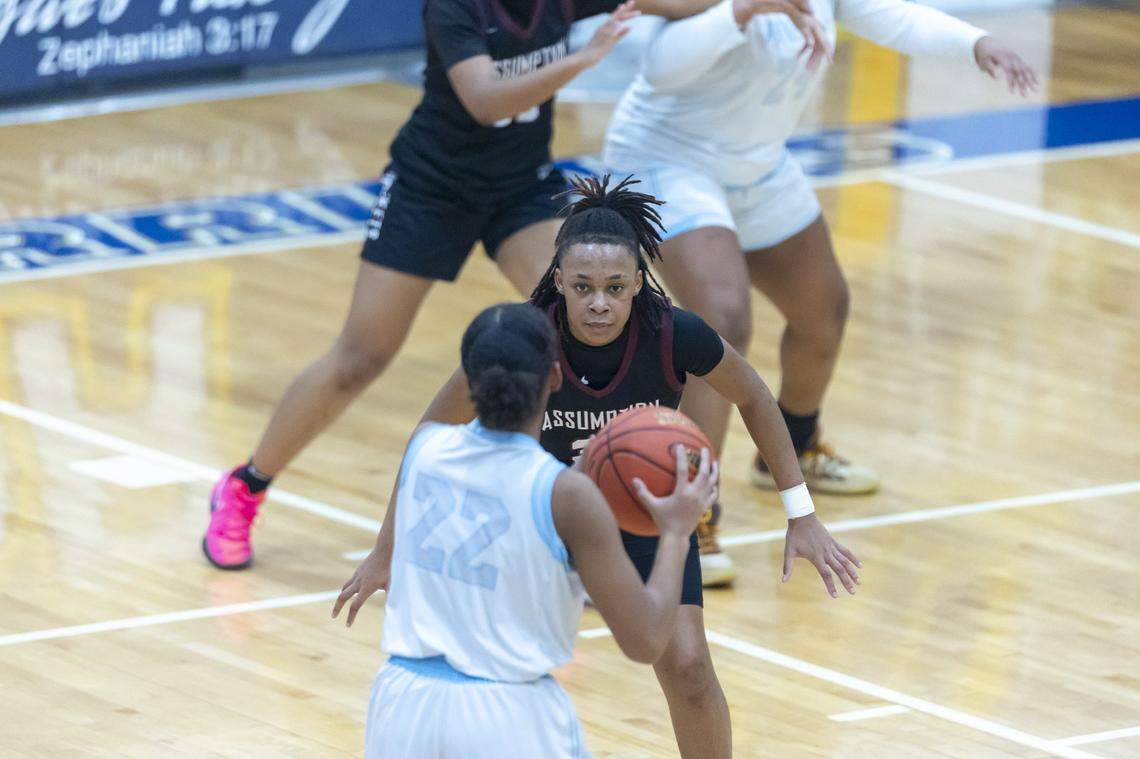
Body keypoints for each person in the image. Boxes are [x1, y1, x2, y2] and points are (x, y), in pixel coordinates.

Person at [202, 0, 828, 570]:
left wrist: (749, 4)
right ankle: (246, 486)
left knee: (591, 324)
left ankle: (585, 516)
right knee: (361, 355)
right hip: (431, 188)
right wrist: (582, 58)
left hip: (520, 188)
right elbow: (485, 100)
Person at [385, 175, 861, 759]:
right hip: (542, 514)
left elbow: (756, 396)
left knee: (687, 665)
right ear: (558, 280)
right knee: (503, 662)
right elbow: (429, 436)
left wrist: (800, 512)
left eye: (615, 286)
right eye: (583, 287)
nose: (599, 302)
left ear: (638, 281)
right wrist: (387, 550)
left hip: (645, 511)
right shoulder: (528, 338)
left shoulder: (673, 333)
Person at [601, 0, 1039, 581]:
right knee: (723, 319)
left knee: (823, 311)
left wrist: (977, 43)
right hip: (667, 158)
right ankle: (691, 514)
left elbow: (895, 17)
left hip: (757, 166)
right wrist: (741, 10)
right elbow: (660, 66)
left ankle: (794, 445)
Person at [333, 302, 718, 758]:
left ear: (470, 383)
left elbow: (503, 485)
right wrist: (675, 532)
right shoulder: (565, 496)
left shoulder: (423, 450)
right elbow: (647, 640)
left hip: (401, 704)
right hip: (507, 716)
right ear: (555, 378)